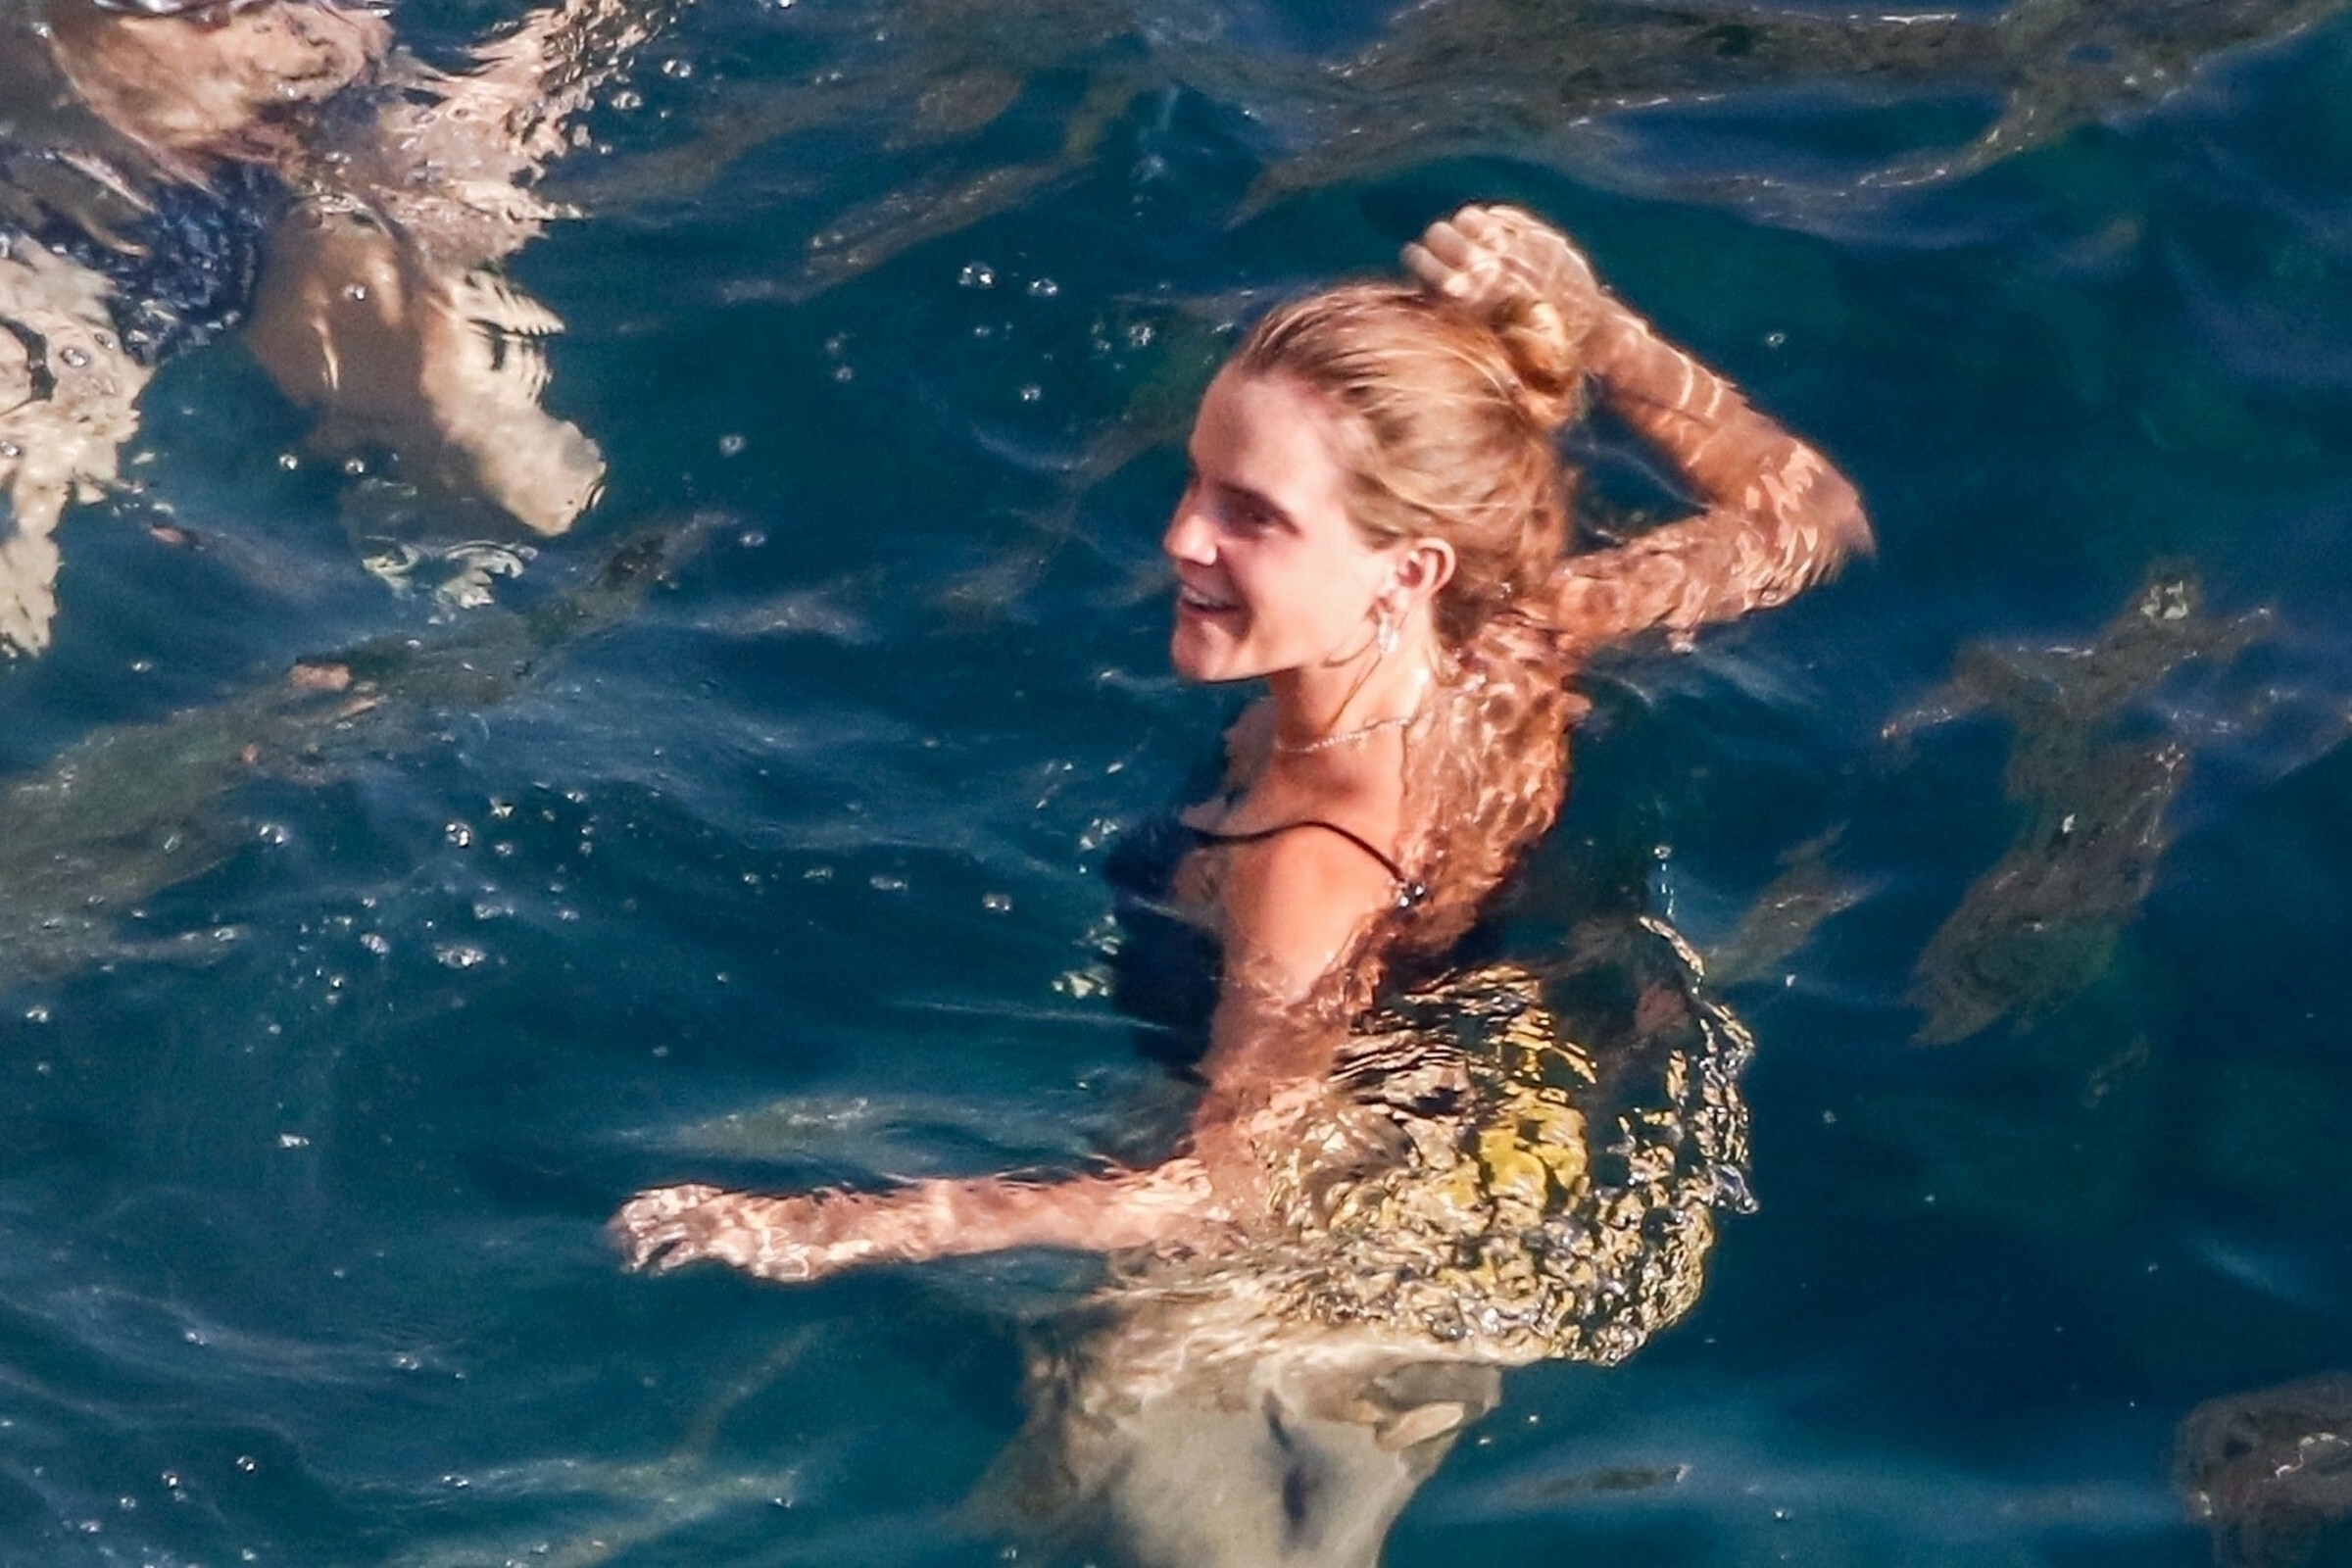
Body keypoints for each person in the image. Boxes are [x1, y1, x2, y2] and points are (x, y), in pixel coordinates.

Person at [612, 203, 1869, 1278]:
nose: (1180, 536)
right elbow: (1810, 514)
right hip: (1464, 1088)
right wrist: (1606, 336)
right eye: (1197, 479)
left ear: (1408, 568)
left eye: (1252, 513)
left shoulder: (1310, 860)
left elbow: (1234, 1191)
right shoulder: (1519, 638)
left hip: (1348, 1238)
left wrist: (840, 1226)